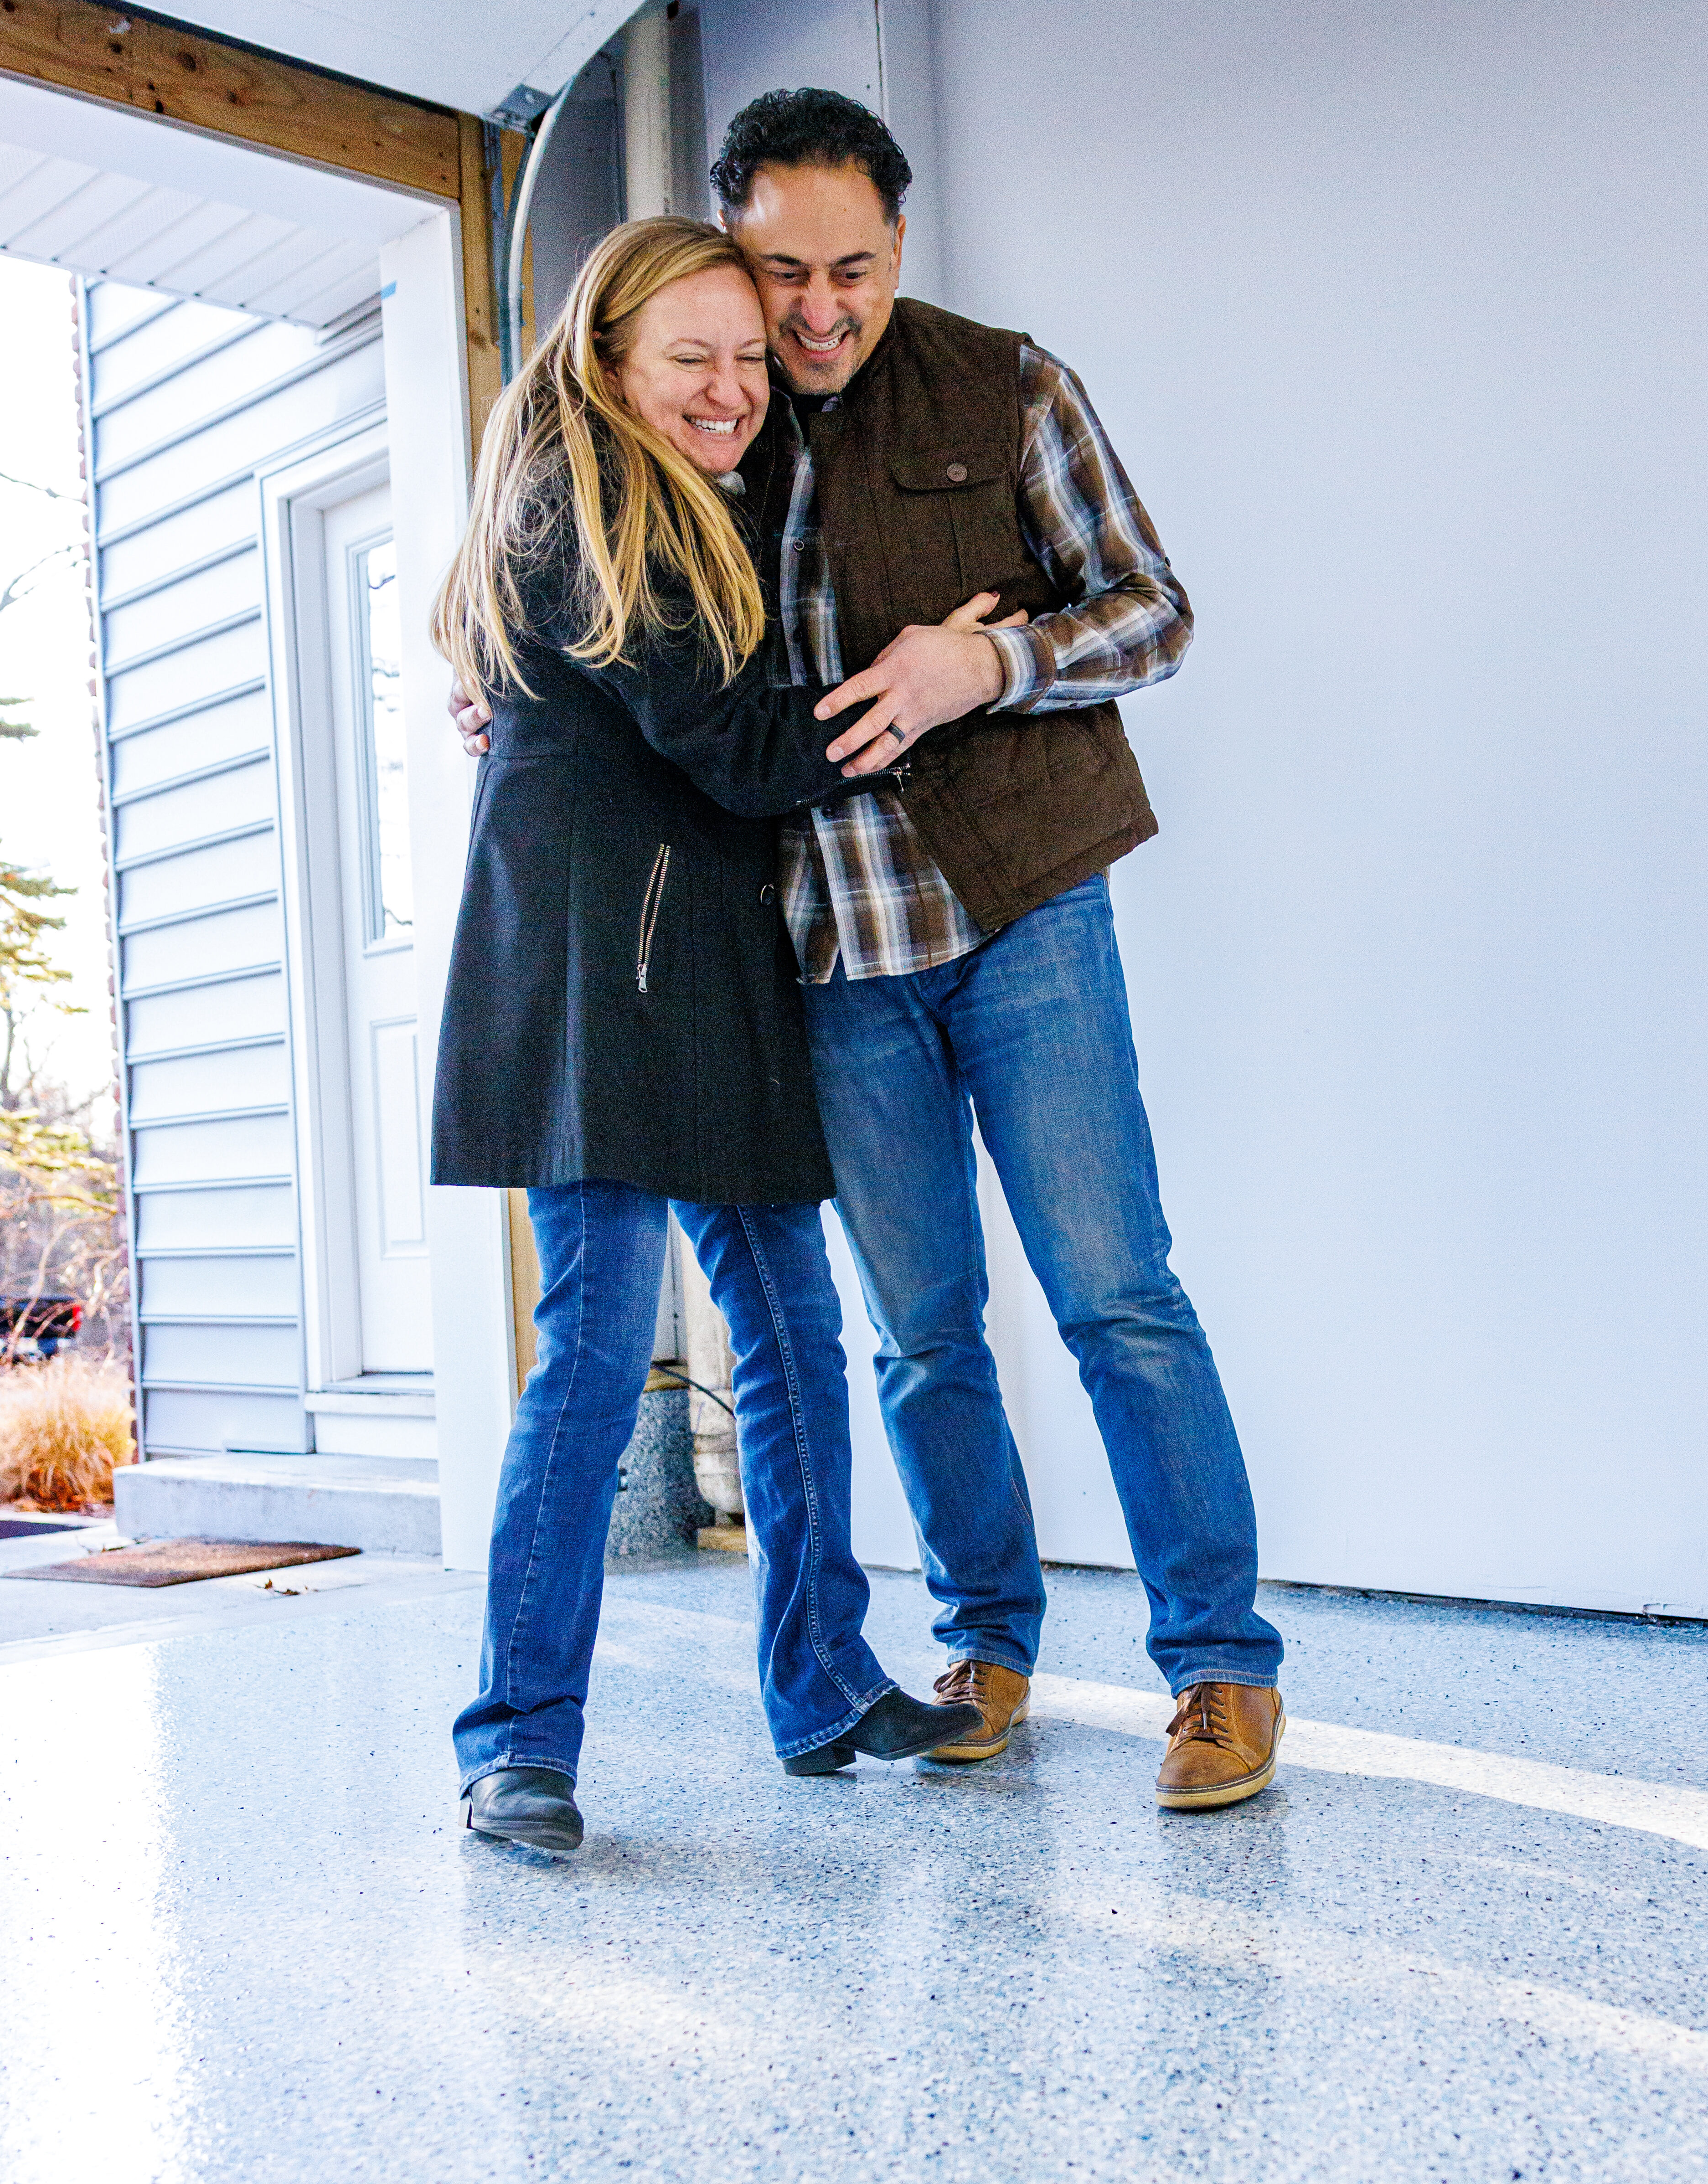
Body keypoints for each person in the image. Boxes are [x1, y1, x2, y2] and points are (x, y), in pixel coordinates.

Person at [464, 94, 1287, 1811]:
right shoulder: (704, 427)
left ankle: (1217, 1669)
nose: (816, 313)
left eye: (852, 268)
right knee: (920, 1332)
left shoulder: (1009, 386)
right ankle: (984, 1646)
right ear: (726, 274)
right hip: (821, 954)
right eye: (783, 277)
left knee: (1118, 1298)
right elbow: (607, 601)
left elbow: (1154, 607)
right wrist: (501, 664)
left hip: (1021, 907)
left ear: (899, 249)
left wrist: (978, 669)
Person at [429, 215, 996, 1853]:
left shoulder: (700, 494)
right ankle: (516, 1742)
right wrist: (925, 681)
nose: (735, 387)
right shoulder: (584, 500)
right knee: (600, 1355)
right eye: (694, 357)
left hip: (714, 967)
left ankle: (821, 1675)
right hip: (602, 973)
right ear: (608, 361)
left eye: (750, 359)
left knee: (795, 1335)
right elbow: (740, 748)